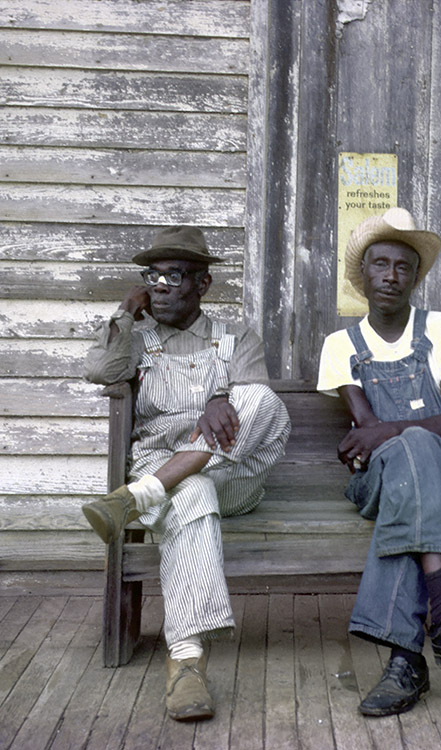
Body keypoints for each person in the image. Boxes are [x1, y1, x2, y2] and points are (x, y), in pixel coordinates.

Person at [82, 226, 291, 722]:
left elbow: (253, 407)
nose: (159, 285)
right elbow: (100, 372)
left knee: (260, 399)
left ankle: (137, 497)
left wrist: (222, 396)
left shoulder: (235, 337)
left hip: (233, 475)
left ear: (203, 284)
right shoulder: (138, 338)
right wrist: (124, 315)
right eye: (151, 276)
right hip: (166, 469)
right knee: (189, 490)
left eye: (173, 275)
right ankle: (187, 664)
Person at [317, 207, 441, 717]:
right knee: (413, 449)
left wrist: (387, 432)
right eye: (380, 264)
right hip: (379, 478)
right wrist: (392, 434)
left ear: (416, 276)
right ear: (363, 276)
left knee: (417, 454)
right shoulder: (341, 347)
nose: (391, 276)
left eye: (403, 266)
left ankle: (405, 661)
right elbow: (370, 439)